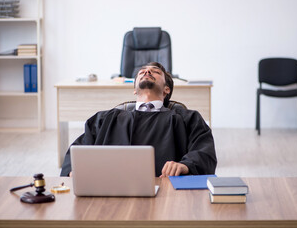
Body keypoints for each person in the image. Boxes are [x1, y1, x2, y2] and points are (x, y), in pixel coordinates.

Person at [60, 62, 217, 177]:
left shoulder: (188, 119)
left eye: (155, 72)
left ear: (166, 89)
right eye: (142, 71)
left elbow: (205, 152)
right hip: (111, 194)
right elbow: (76, 153)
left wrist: (184, 166)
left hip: (168, 194)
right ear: (134, 89)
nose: (147, 71)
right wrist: (73, 172)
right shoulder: (104, 120)